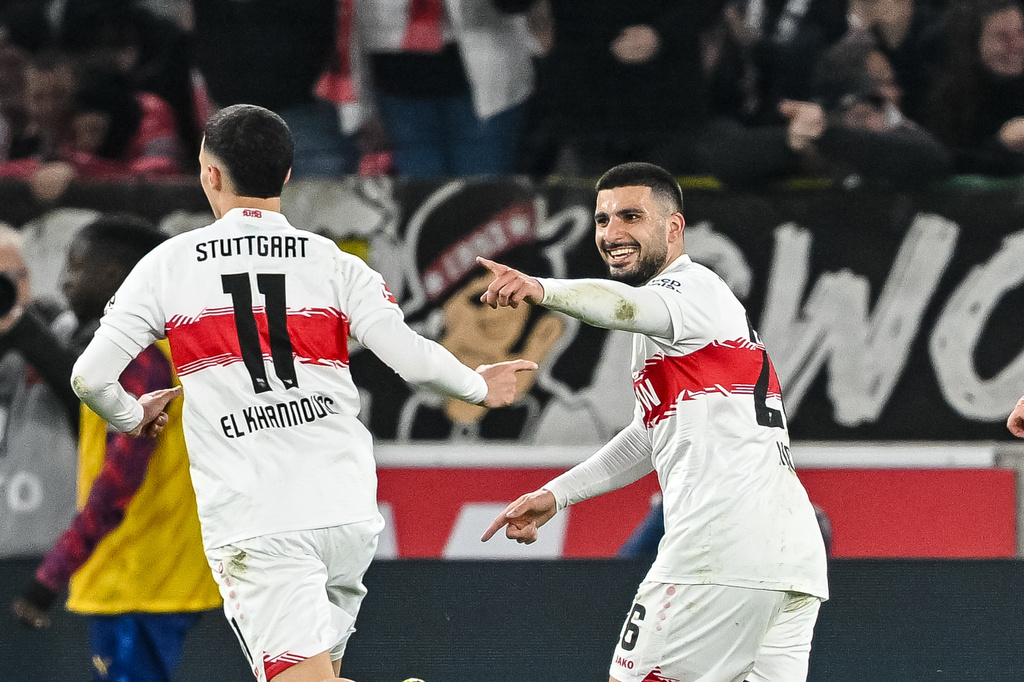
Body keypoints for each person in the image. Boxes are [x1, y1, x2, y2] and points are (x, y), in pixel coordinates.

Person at [68, 103, 535, 682]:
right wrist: (476, 384)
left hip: (259, 519)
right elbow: (413, 359)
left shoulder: (168, 266)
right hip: (343, 509)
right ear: (287, 175)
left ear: (209, 175)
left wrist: (129, 413)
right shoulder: (336, 264)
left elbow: (90, 376)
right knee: (319, 672)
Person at [480, 162, 828, 682]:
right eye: (601, 220)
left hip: (718, 552)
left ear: (673, 228)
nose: (612, 234)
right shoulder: (688, 327)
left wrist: (542, 289)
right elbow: (650, 434)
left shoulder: (693, 292)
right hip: (789, 558)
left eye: (630, 217)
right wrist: (558, 494)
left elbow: (619, 304)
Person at [10, 215, 222, 682]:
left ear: (116, 279)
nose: (64, 282)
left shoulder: (135, 360)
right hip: (162, 573)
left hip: (135, 579)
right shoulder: (173, 348)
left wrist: (51, 574)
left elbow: (119, 482)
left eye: (75, 267)